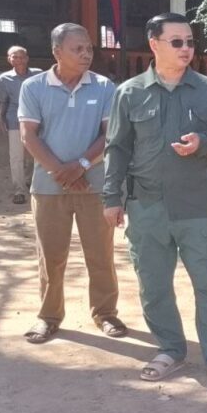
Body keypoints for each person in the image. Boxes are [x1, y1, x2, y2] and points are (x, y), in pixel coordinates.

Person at [102, 12, 207, 390]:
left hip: (196, 206)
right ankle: (170, 349)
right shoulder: (129, 93)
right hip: (146, 206)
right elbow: (117, 148)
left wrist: (204, 142)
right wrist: (112, 198)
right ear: (154, 44)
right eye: (177, 42)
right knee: (153, 285)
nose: (186, 49)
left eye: (190, 42)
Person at [17, 24, 126, 344]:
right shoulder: (34, 87)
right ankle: (48, 317)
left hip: (94, 185)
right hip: (48, 187)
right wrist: (60, 172)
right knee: (50, 257)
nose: (86, 54)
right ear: (57, 52)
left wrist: (80, 167)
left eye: (89, 48)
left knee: (100, 254)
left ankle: (106, 313)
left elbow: (109, 134)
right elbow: (28, 136)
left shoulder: (104, 87)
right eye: (78, 49)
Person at [0, 45, 42, 204]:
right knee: (16, 155)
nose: (18, 60)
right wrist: (0, 116)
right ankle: (19, 190)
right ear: (9, 59)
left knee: (34, 154)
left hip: (35, 118)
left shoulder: (38, 74)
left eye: (21, 56)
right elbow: (3, 101)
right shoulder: (4, 78)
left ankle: (29, 180)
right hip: (14, 118)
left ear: (27, 58)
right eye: (14, 57)